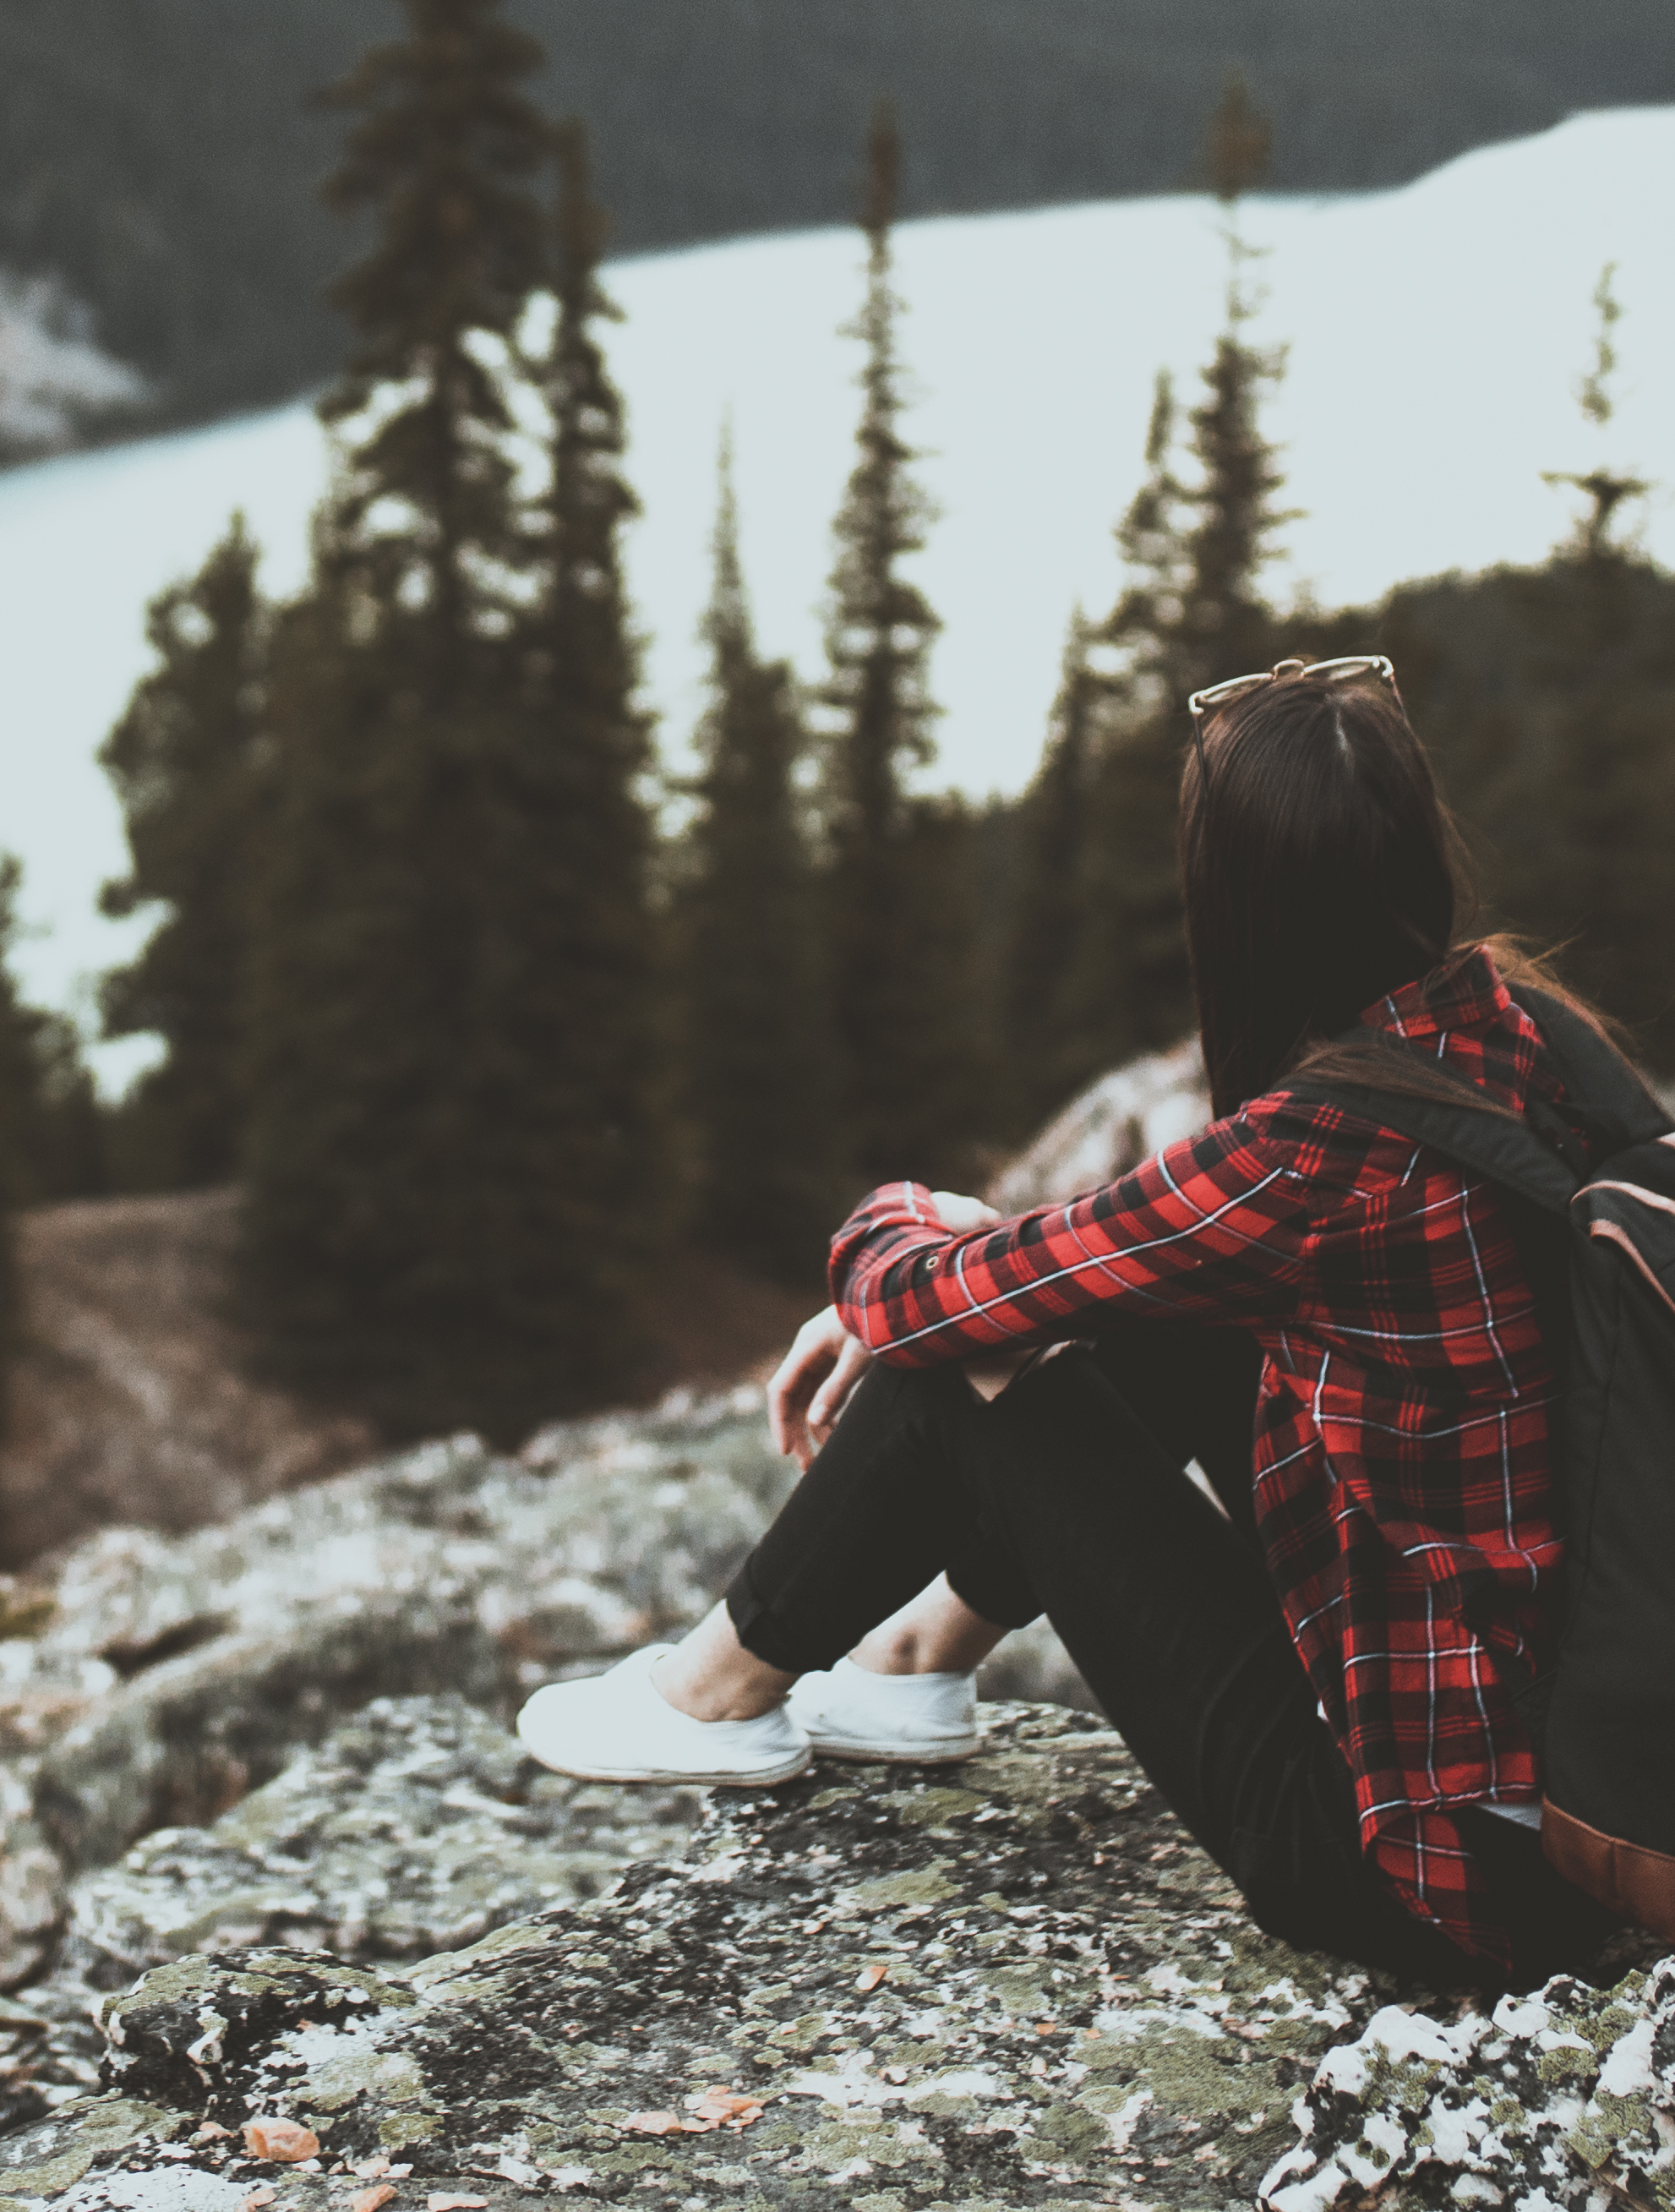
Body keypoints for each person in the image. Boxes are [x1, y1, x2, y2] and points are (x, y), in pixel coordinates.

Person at [514, 653, 1609, 1988]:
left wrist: (923, 1218)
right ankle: (915, 1661)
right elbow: (1129, 1257)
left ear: (1238, 906)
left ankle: (718, 1692)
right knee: (1142, 1311)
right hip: (1574, 1781)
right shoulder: (1518, 1034)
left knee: (954, 1367)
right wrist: (980, 1254)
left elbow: (913, 1303)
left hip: (1423, 1876)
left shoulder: (1316, 1156)